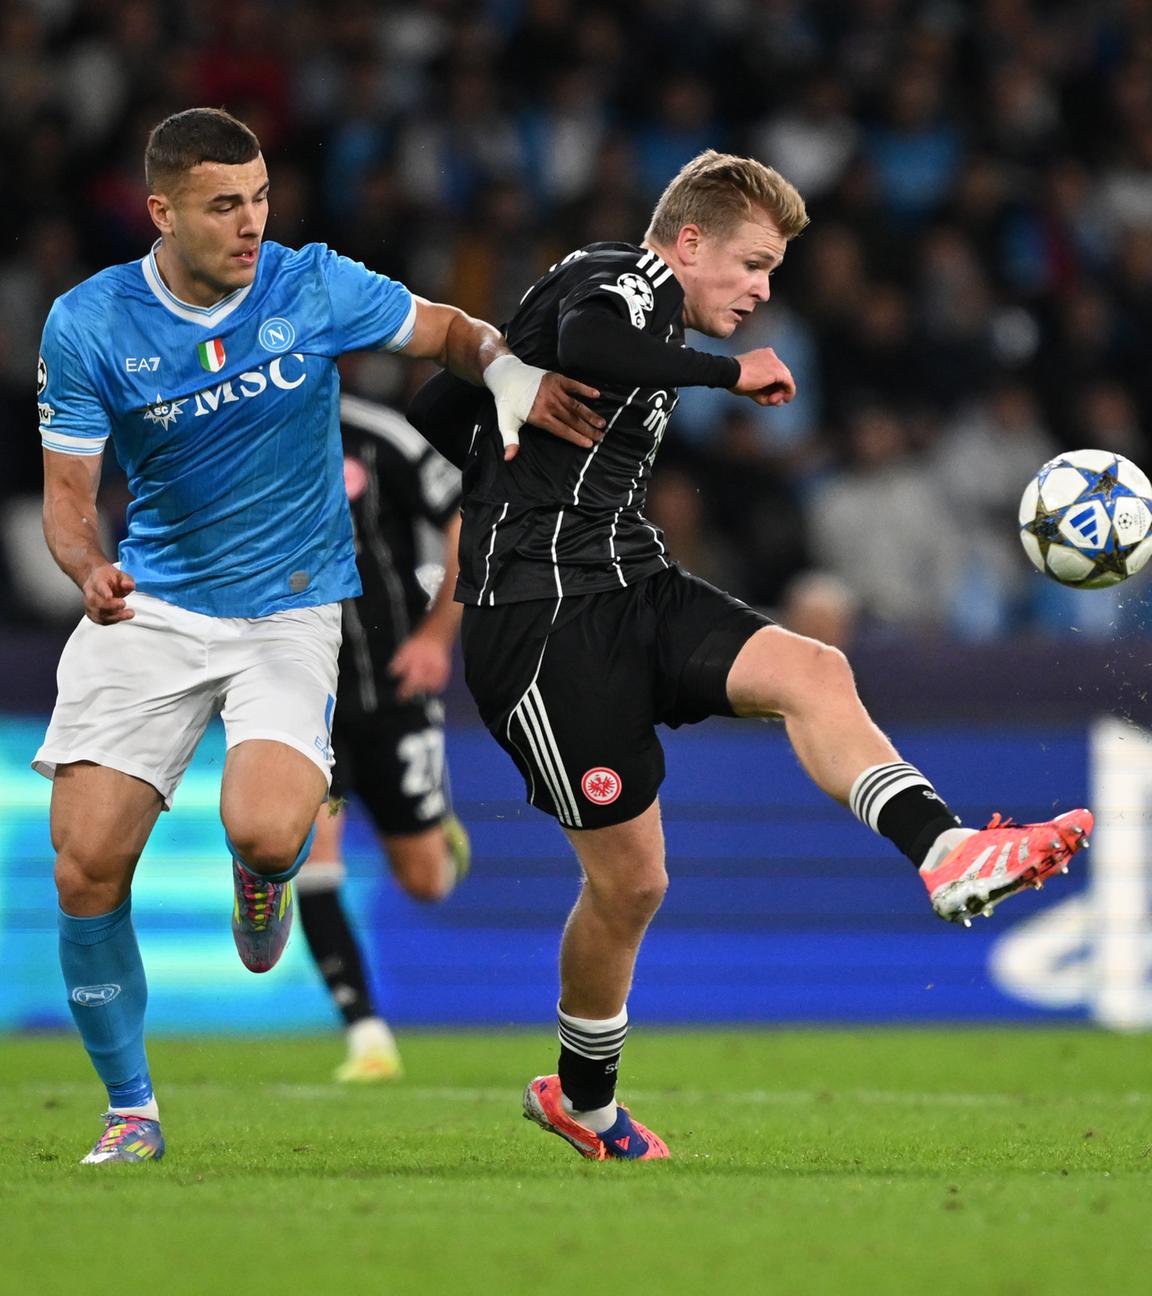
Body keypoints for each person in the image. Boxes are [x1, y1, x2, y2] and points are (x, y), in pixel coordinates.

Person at [406, 150, 1093, 1163]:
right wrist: (726, 375)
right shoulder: (622, 277)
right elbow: (592, 335)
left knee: (815, 670)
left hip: (632, 580)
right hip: (542, 619)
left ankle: (947, 853)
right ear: (688, 243)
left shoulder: (641, 313)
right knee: (632, 883)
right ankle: (584, 1100)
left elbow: (436, 411)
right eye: (753, 265)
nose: (765, 292)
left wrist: (508, 388)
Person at [34, 107, 605, 1166]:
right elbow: (67, 497)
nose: (251, 224)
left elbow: (444, 330)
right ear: (161, 212)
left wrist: (509, 372)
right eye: (223, 206)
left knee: (262, 830)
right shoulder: (89, 323)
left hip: (292, 608)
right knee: (85, 868)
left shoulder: (311, 284)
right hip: (153, 602)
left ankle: (271, 866)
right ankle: (132, 1112)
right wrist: (87, 566)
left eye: (259, 199)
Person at [296, 388, 470, 1083]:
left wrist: (436, 634)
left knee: (427, 881)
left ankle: (443, 830)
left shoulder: (376, 434)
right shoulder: (241, 437)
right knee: (313, 851)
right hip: (304, 699)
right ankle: (367, 1036)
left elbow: (468, 518)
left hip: (396, 690)